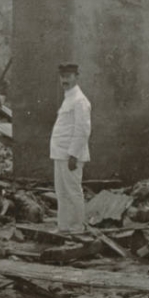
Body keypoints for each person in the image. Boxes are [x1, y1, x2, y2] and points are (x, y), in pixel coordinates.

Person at [49, 62, 91, 232]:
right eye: (62, 76)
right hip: (60, 153)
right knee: (62, 193)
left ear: (76, 77)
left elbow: (83, 130)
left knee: (73, 192)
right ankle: (64, 227)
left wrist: (73, 154)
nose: (64, 80)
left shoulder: (80, 100)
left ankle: (77, 228)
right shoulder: (69, 98)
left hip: (70, 155)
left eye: (68, 76)